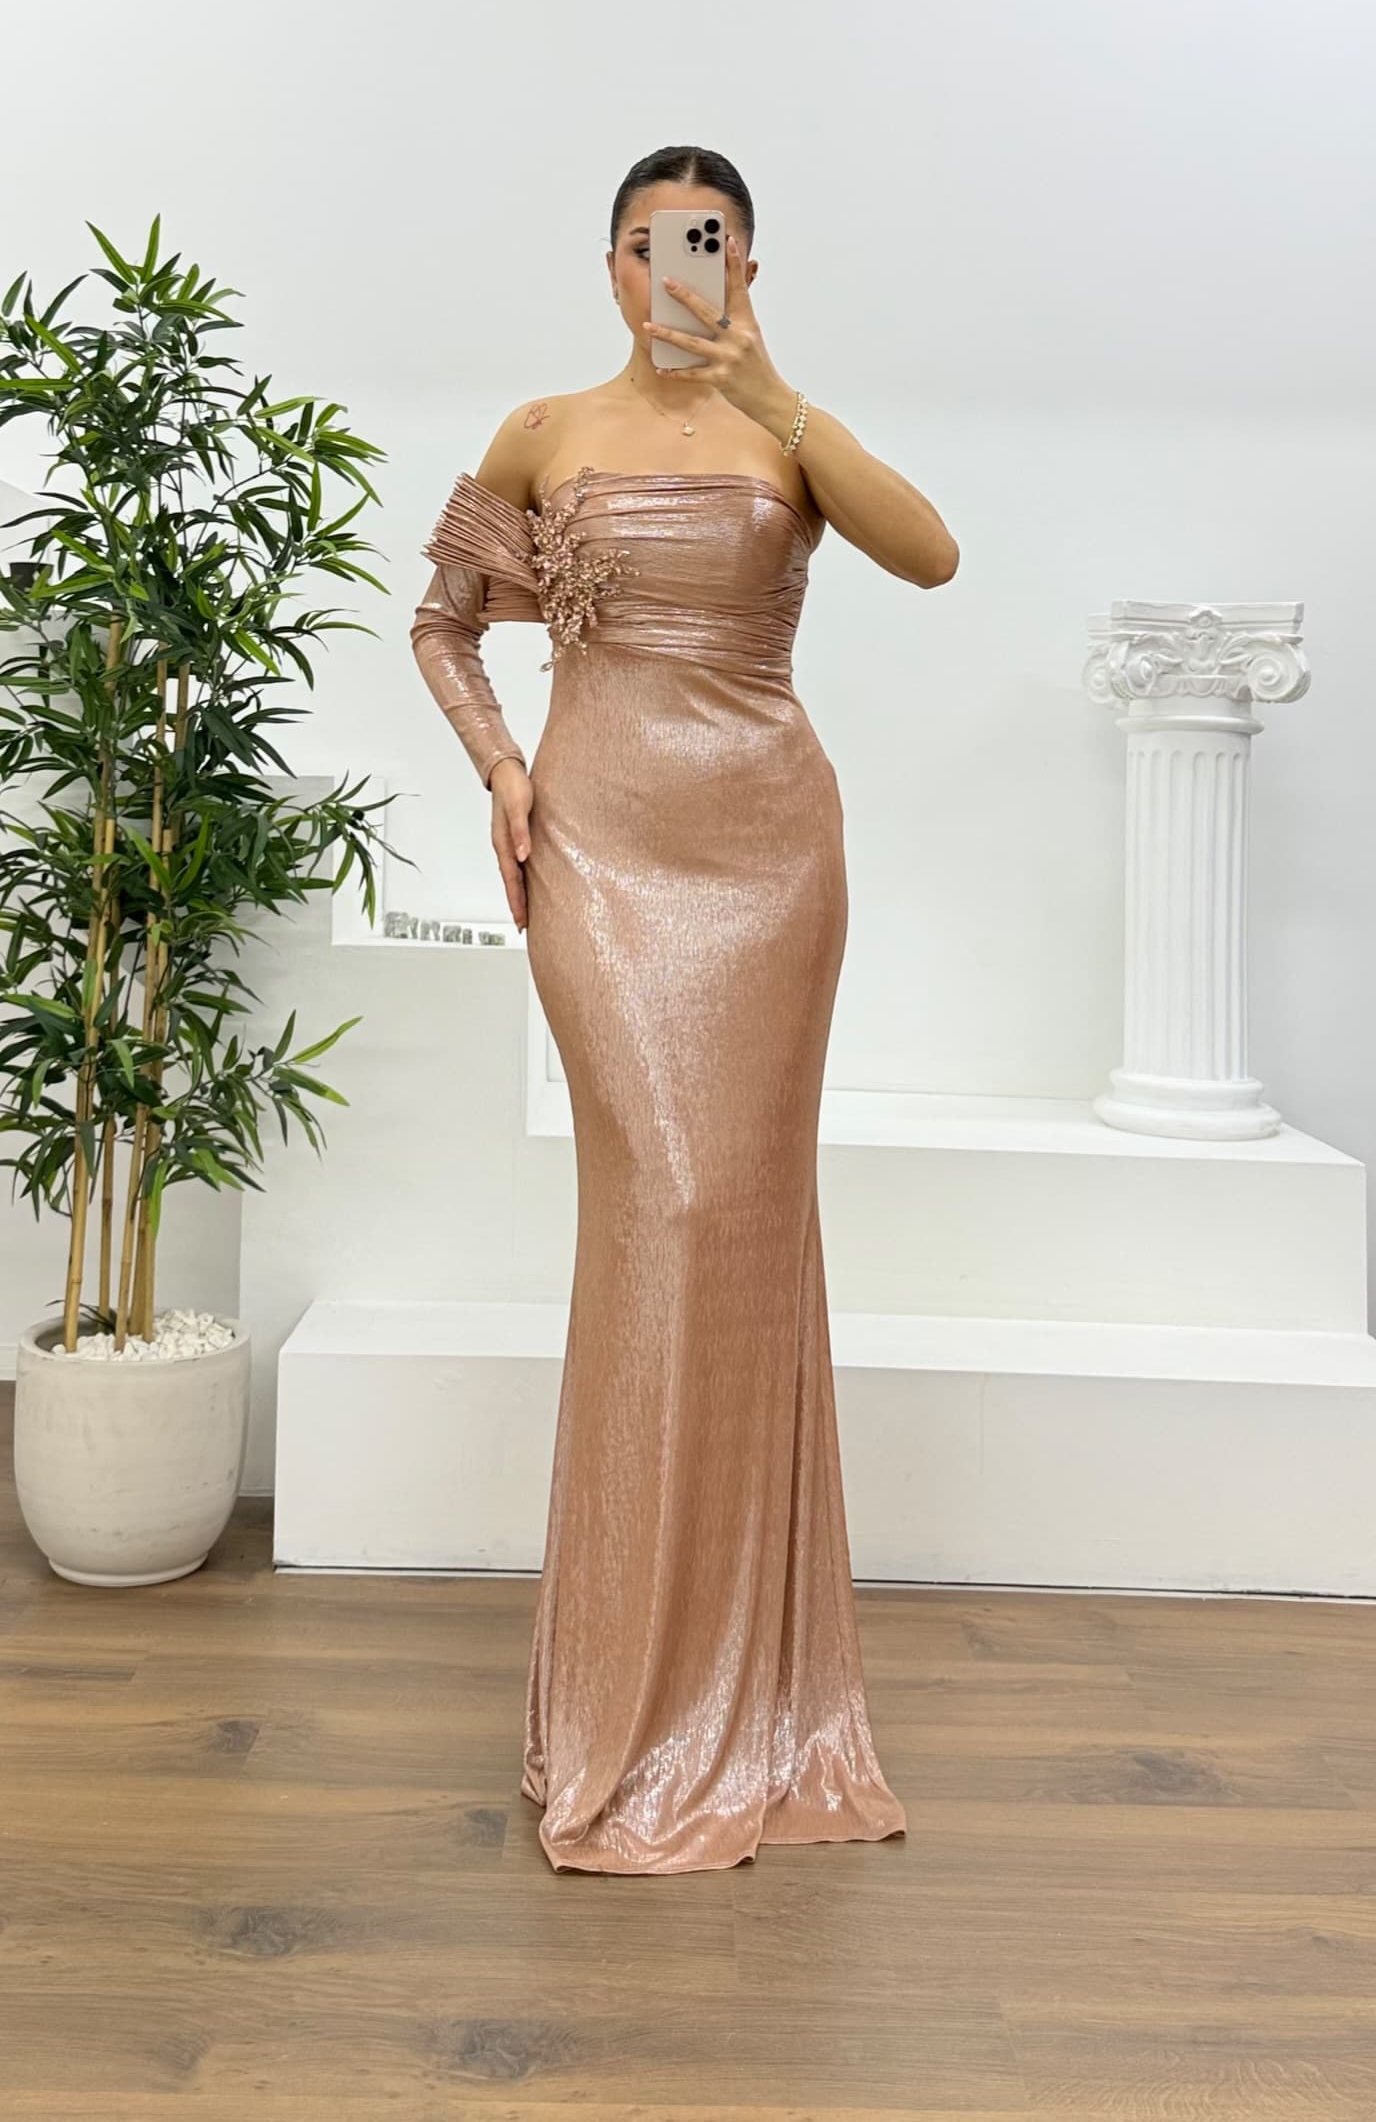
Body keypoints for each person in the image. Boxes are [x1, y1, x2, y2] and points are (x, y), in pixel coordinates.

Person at [410, 144, 960, 1875]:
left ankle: (748, 1692)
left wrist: (776, 396)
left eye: (708, 247)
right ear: (610, 267)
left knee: (739, 1228)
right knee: (659, 1202)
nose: (678, 273)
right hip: (599, 854)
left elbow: (935, 557)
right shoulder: (543, 433)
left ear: (748, 268)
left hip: (771, 859)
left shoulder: (785, 437)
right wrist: (504, 771)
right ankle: (626, 1691)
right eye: (652, 247)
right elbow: (441, 625)